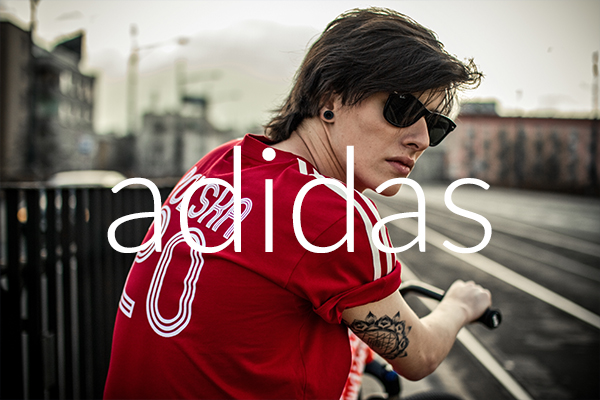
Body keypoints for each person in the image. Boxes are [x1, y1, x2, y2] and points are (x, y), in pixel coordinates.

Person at [104, 7, 490, 399]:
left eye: (436, 125)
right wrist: (459, 306)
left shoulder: (223, 161)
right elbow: (419, 356)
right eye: (403, 109)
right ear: (329, 99)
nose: (421, 139)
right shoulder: (332, 212)